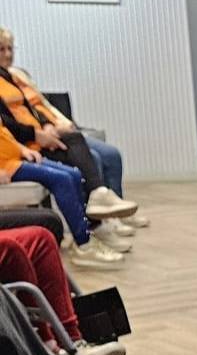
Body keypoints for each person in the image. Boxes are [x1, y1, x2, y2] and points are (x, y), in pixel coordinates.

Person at [0, 28, 143, 226]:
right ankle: (95, 224)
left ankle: (108, 208)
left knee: (108, 153)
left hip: (47, 129)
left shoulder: (14, 76)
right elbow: (8, 121)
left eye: (10, 48)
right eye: (2, 49)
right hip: (26, 141)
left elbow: (36, 107)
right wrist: (37, 134)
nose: (8, 54)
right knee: (93, 158)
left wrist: (49, 124)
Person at [0, 126, 122, 268]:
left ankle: (85, 232)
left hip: (16, 157)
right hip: (7, 166)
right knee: (62, 179)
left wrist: (22, 149)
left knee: (74, 174)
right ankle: (84, 244)